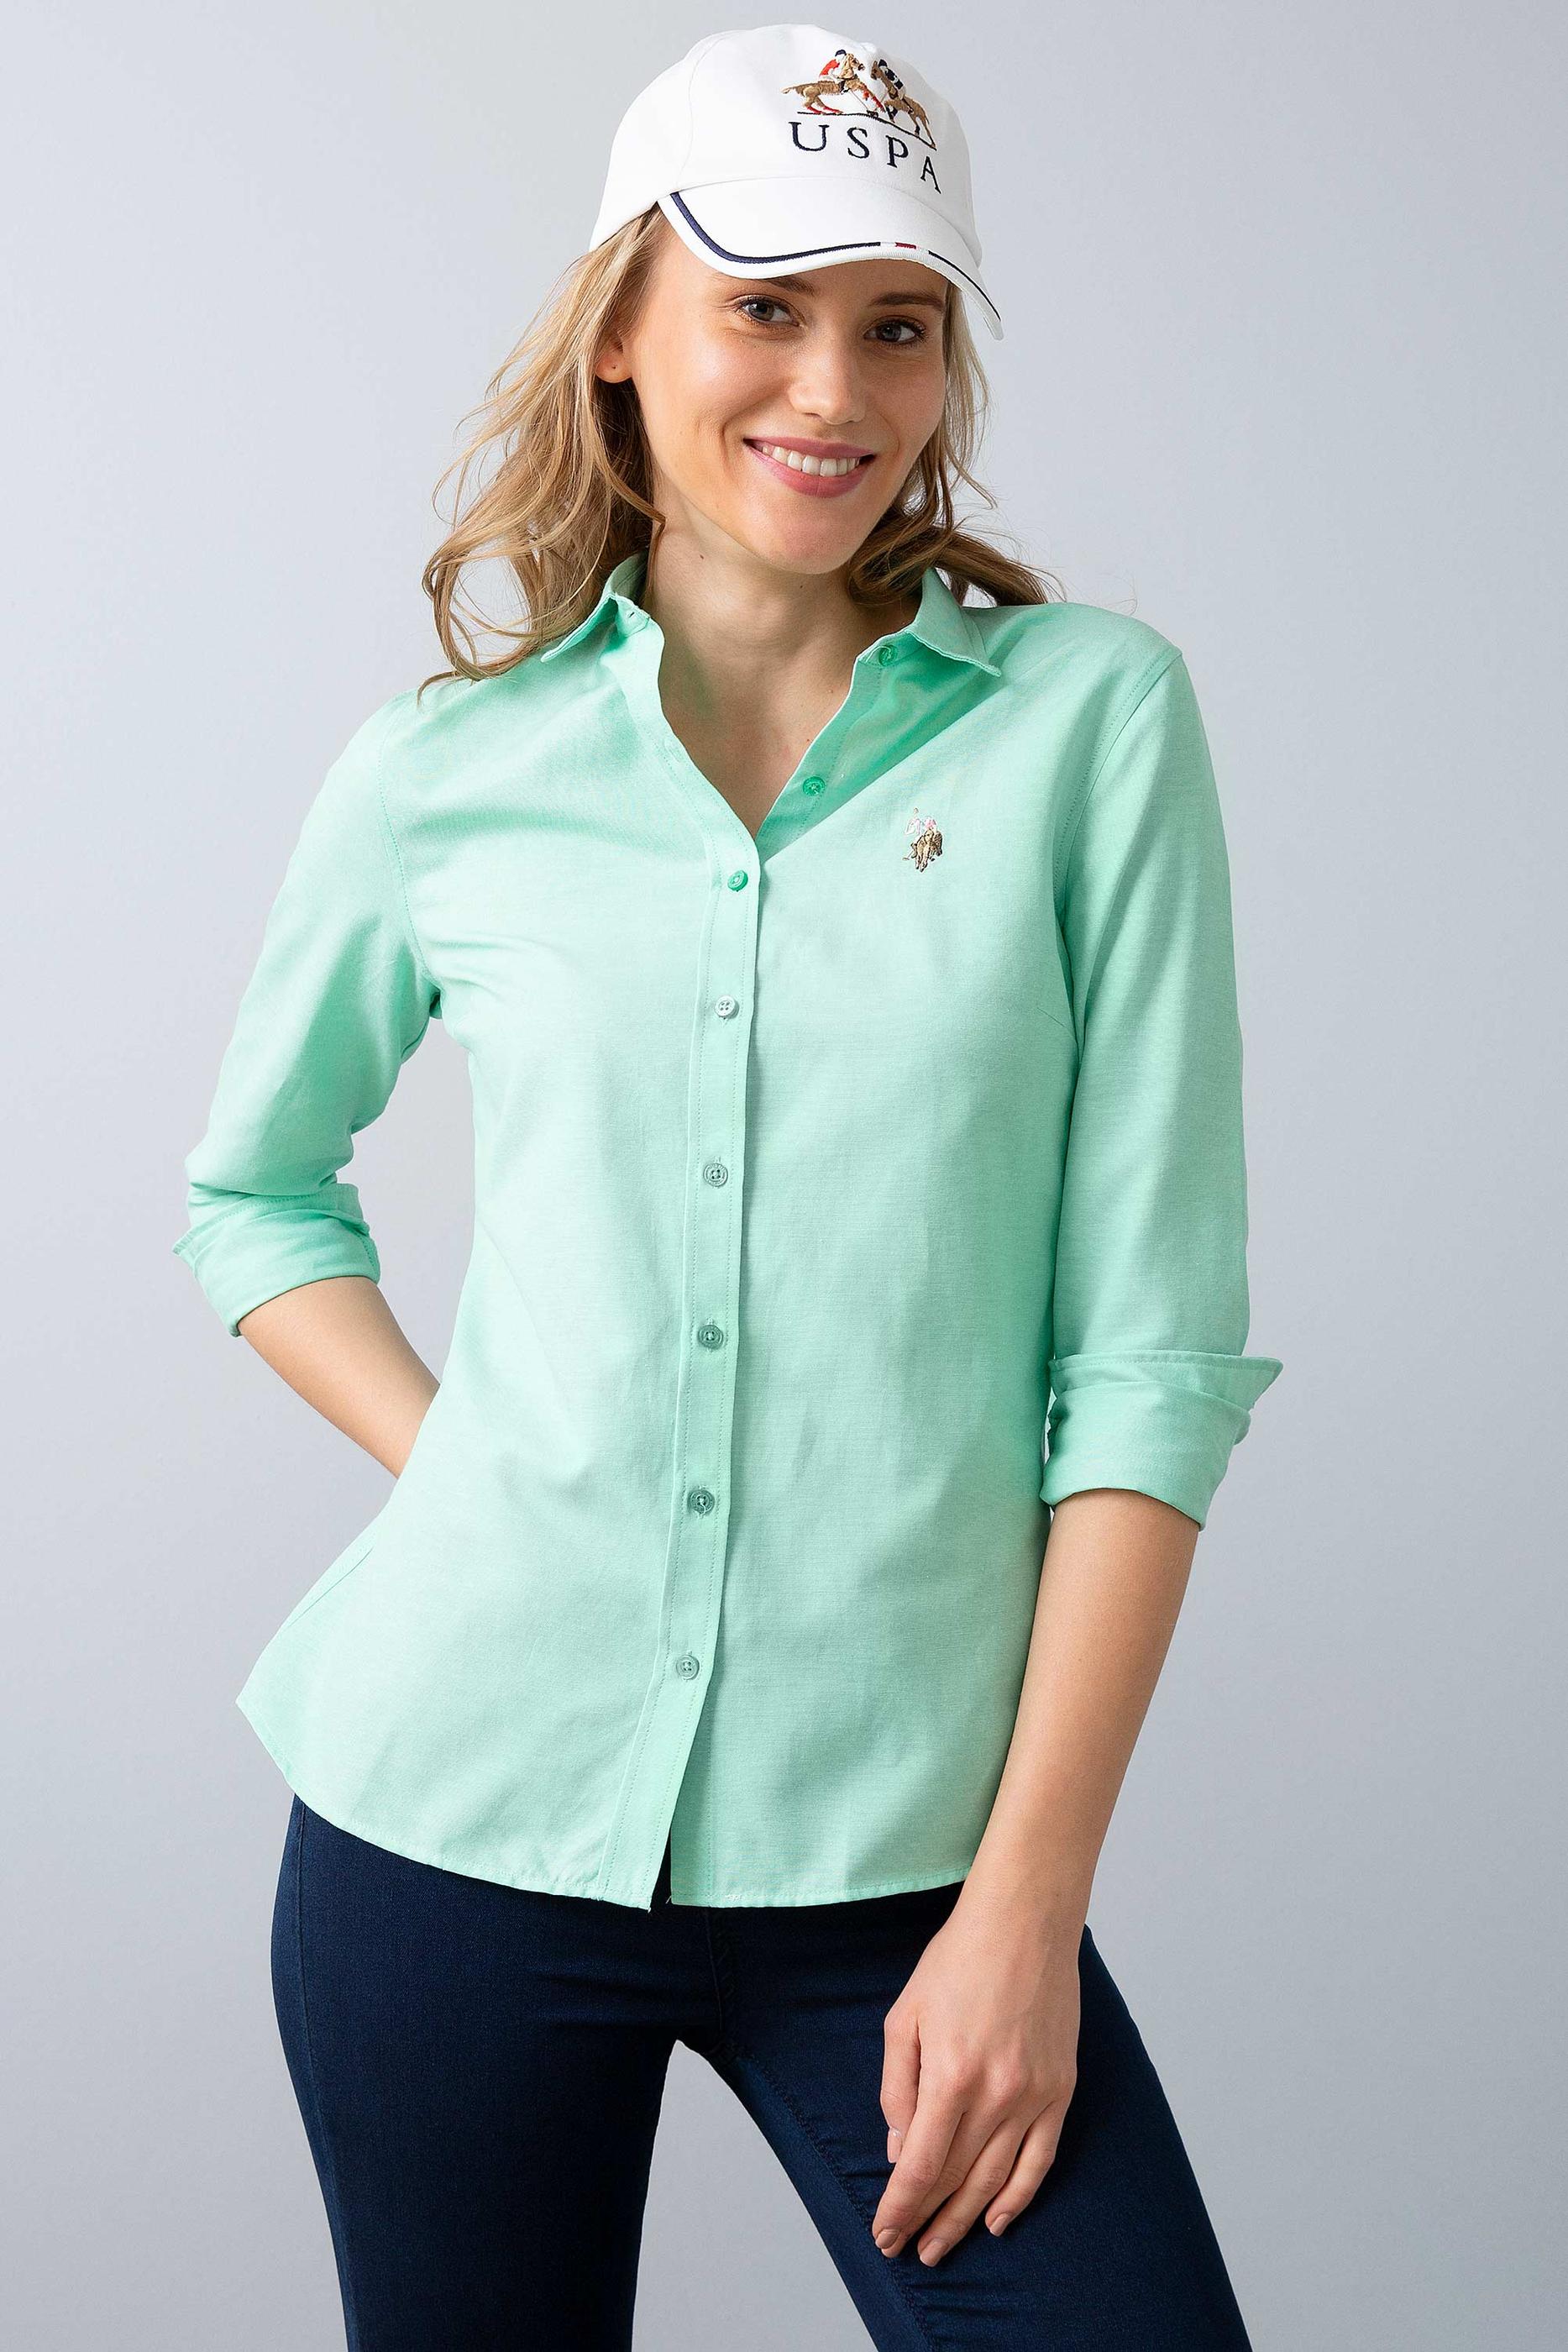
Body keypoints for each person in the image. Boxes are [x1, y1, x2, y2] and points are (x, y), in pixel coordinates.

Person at [172, 24, 1282, 2349]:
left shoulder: (1090, 724)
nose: (833, 388)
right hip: (450, 1825)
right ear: (622, 329)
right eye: (762, 307)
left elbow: (1151, 1362)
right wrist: (473, 1469)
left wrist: (1022, 1908)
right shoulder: (446, 776)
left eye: (898, 323)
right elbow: (254, 1196)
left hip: (914, 1859)